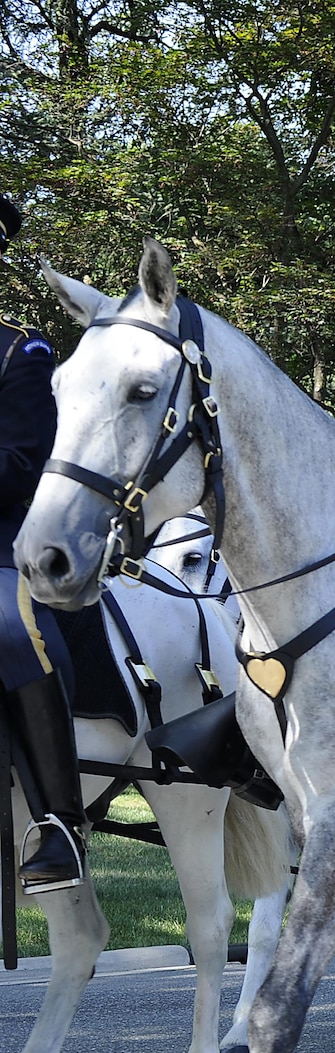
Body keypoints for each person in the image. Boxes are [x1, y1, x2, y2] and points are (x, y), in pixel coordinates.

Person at [0, 194, 85, 890]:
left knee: (11, 626)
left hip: (2, 543)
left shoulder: (20, 349)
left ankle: (59, 822)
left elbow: (25, 463)